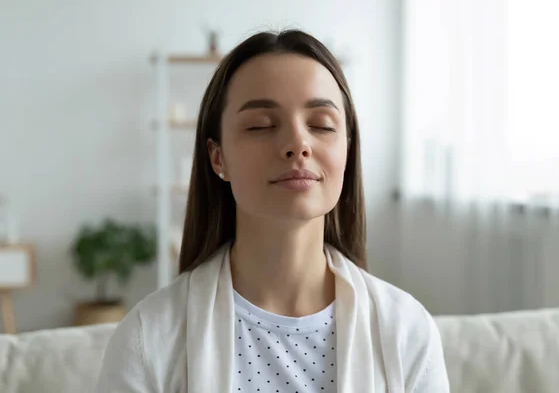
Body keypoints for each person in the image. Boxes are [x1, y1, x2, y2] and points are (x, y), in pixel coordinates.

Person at [96, 29, 449, 393]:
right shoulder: (148, 339)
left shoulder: (406, 331)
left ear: (347, 149)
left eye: (321, 125)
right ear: (218, 158)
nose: (298, 143)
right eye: (260, 126)